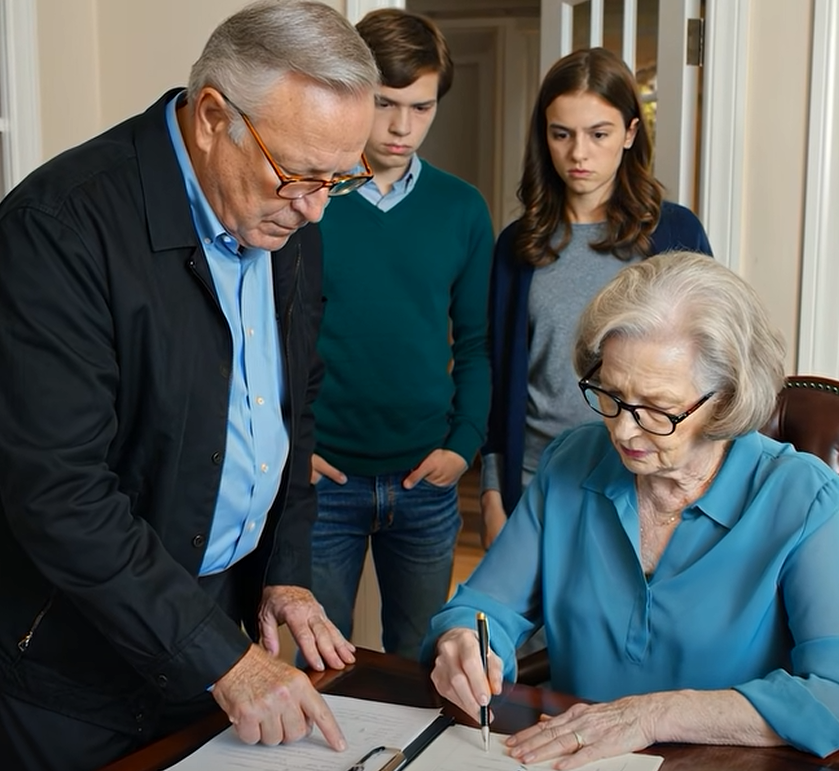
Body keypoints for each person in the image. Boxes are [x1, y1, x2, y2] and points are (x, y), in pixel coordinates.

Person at [0, 2, 379, 769]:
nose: (312, 209)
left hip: (209, 627)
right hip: (69, 661)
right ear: (213, 116)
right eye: (299, 174)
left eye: (336, 181)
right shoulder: (56, 228)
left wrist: (284, 575)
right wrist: (225, 660)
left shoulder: (280, 218)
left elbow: (291, 413)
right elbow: (59, 491)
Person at [424, 252, 839, 765]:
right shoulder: (572, 460)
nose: (622, 430)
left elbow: (833, 693)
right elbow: (486, 606)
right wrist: (464, 639)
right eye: (611, 394)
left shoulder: (804, 499)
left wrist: (652, 714)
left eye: (657, 409)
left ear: (728, 398)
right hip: (576, 760)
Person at [308, 9, 494, 660]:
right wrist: (288, 441)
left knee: (423, 662)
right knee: (319, 662)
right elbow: (262, 334)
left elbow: (475, 342)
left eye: (420, 107)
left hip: (425, 480)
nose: (400, 127)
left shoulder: (461, 208)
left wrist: (463, 445)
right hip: (321, 478)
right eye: (384, 104)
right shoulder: (307, 196)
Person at [480, 47, 712, 550]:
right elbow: (498, 374)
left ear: (630, 133)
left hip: (646, 476)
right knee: (532, 628)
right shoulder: (518, 245)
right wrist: (493, 489)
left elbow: (712, 365)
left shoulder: (676, 231)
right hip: (538, 476)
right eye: (561, 134)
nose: (578, 154)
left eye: (598, 134)